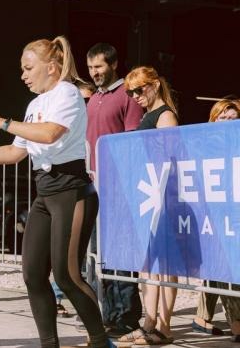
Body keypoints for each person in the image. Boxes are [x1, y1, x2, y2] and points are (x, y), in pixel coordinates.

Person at [0, 36, 113, 348]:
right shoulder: (34, 104)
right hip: (45, 193)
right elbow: (15, 153)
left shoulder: (68, 94)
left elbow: (50, 134)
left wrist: (1, 122)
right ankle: (49, 344)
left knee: (67, 276)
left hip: (72, 191)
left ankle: (101, 341)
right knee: (33, 275)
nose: (23, 74)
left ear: (51, 67)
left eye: (28, 68)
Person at [85, 43, 144, 337]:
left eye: (99, 67)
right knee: (99, 254)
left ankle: (127, 316)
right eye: (91, 68)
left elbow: (131, 141)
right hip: (93, 186)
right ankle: (107, 314)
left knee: (120, 255)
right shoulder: (92, 99)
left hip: (118, 187)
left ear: (114, 64)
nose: (95, 73)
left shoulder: (127, 97)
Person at [117, 66, 178, 346]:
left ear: (154, 85)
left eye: (139, 90)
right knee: (148, 265)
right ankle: (150, 322)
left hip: (161, 195)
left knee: (163, 264)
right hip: (149, 193)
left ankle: (162, 326)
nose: (134, 96)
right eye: (130, 92)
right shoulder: (152, 115)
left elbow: (168, 158)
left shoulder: (165, 116)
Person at [190, 98, 240, 342]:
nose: (229, 122)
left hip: (232, 214)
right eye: (223, 117)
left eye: (234, 118)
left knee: (219, 266)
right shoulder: (204, 145)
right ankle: (237, 323)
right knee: (225, 266)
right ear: (214, 119)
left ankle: (202, 316)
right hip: (211, 214)